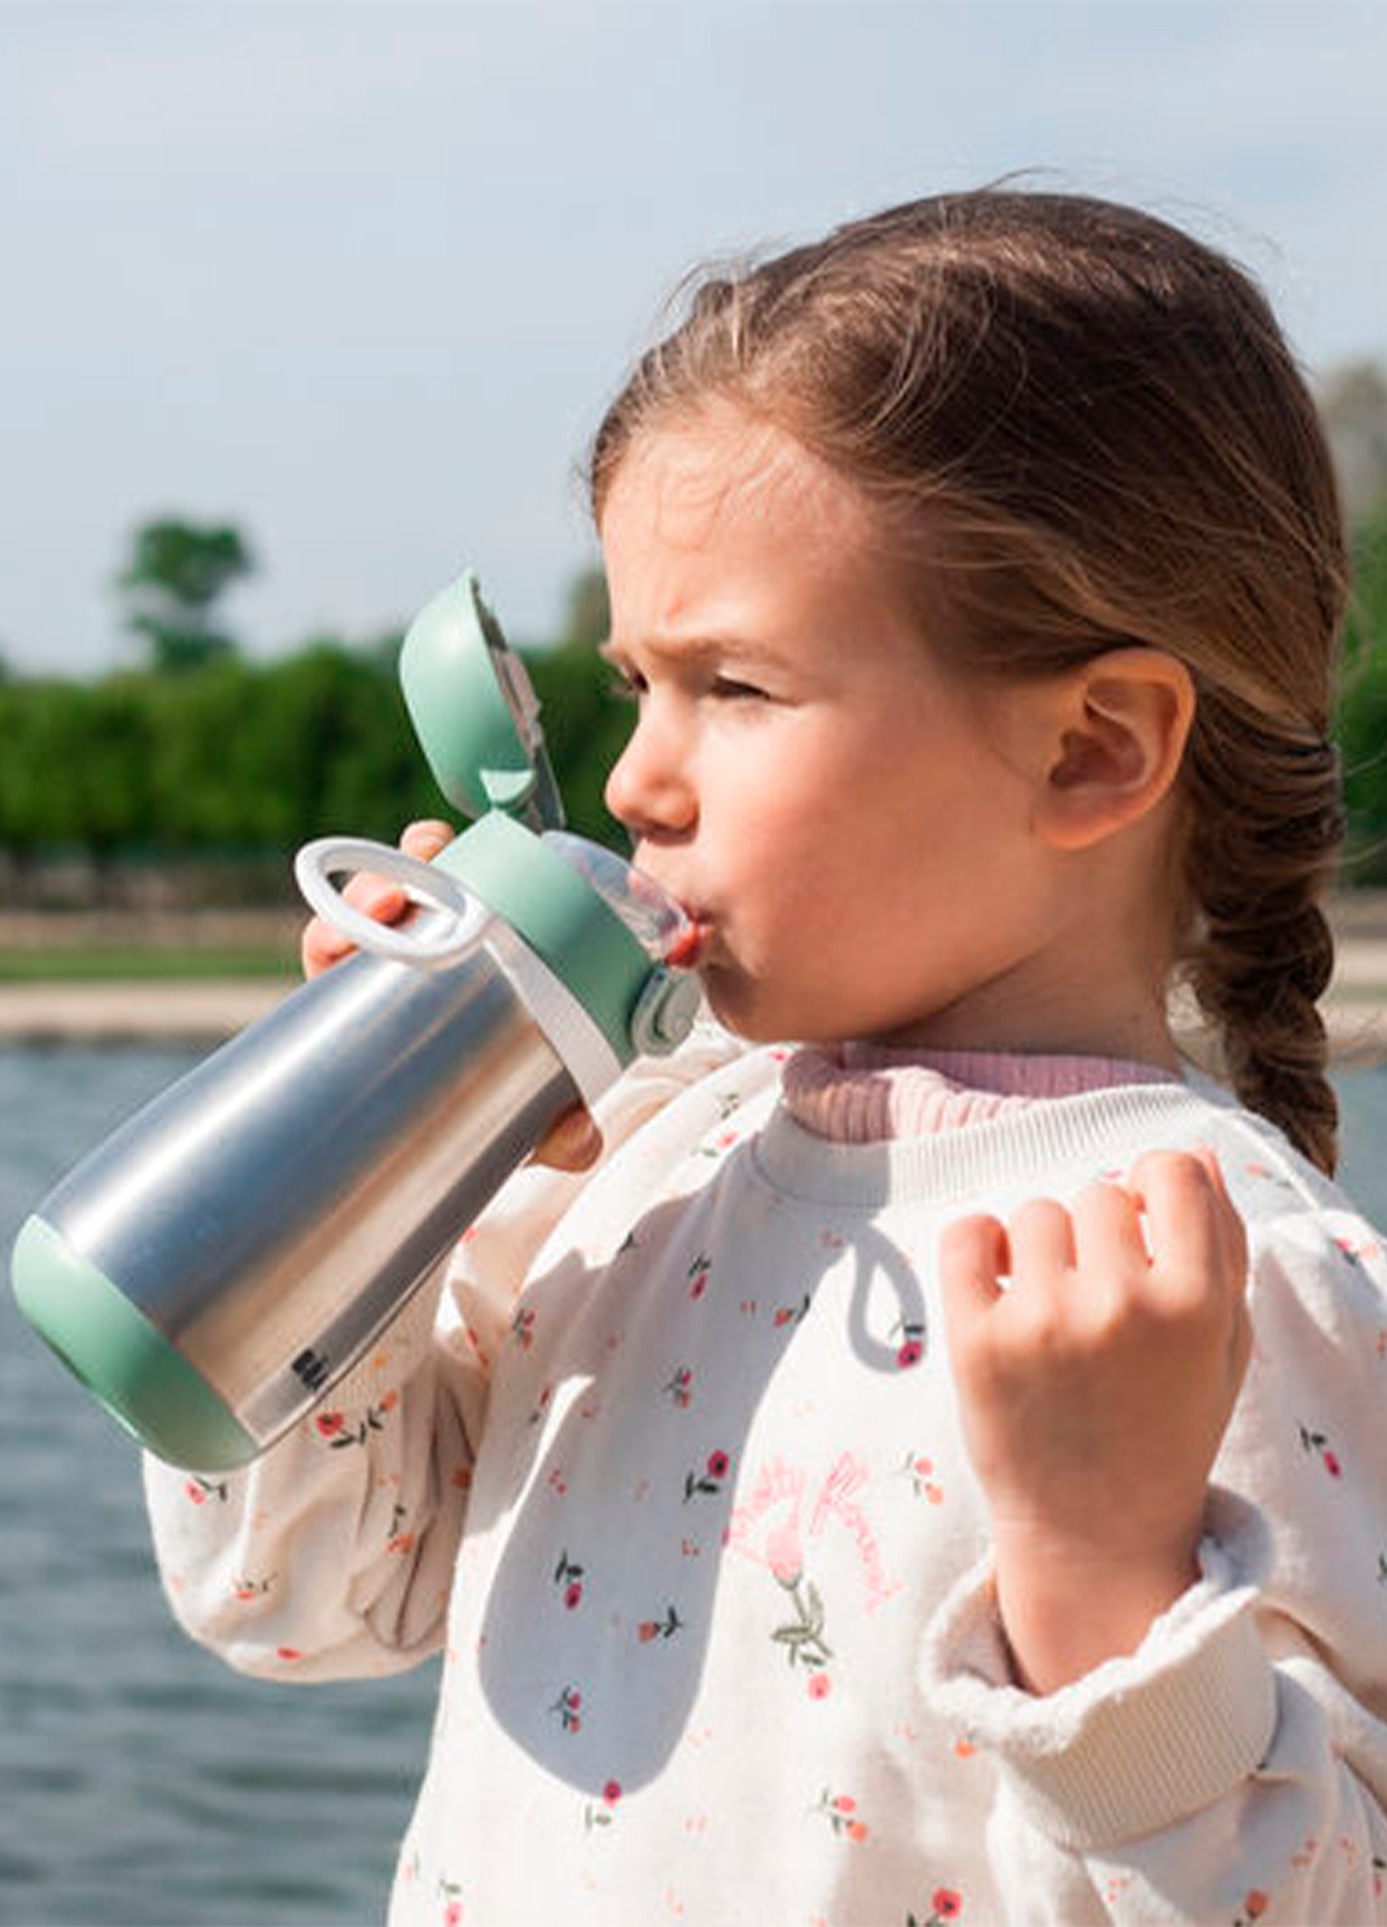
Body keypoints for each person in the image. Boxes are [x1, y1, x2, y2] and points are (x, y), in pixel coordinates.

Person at [145, 189, 1387, 1925]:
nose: (641, 780)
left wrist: (1104, 1594)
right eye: (634, 684)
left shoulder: (1224, 1287)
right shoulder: (651, 1164)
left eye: (730, 687)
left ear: (1091, 750)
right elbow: (303, 1602)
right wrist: (356, 1189)